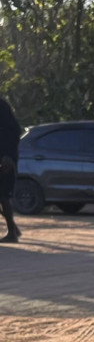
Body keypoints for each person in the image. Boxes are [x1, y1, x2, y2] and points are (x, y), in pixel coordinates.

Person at [0, 96, 21, 243]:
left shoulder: (2, 106)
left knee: (2, 195)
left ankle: (12, 232)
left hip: (4, 158)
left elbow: (15, 131)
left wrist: (8, 155)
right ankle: (12, 227)